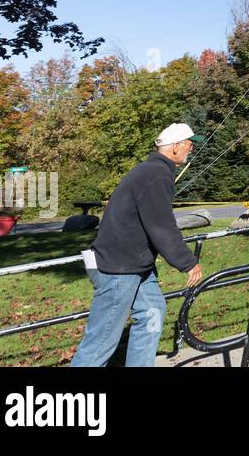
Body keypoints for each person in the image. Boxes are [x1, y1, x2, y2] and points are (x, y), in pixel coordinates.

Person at [70, 122, 205, 367]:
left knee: (152, 312)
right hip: (118, 268)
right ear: (175, 147)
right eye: (188, 143)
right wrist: (187, 263)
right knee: (101, 342)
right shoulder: (157, 175)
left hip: (134, 265)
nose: (191, 148)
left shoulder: (153, 170)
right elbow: (161, 226)